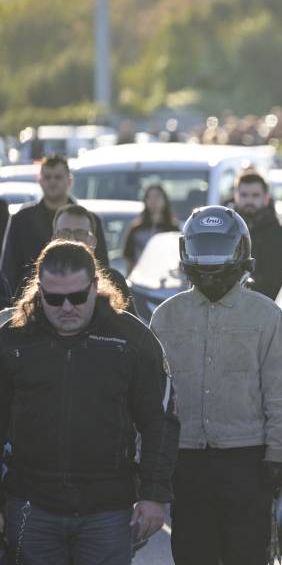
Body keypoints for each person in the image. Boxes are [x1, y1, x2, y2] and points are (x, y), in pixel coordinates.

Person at [0, 240, 179, 564]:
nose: (67, 307)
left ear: (95, 286)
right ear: (39, 291)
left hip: (107, 509)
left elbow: (160, 420)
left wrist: (154, 496)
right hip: (31, 504)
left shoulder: (131, 339)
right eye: (54, 298)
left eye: (77, 296)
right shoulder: (12, 340)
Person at [150, 205, 282, 565]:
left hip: (246, 460)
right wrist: (147, 461)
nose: (211, 260)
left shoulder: (266, 315)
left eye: (219, 245)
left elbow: (279, 392)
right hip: (186, 461)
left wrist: (279, 452)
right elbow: (153, 397)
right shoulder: (166, 316)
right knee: (191, 554)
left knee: (246, 555)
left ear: (240, 252)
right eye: (202, 245)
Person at [1, 155, 109, 295]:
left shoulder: (89, 220)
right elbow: (8, 269)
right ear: (40, 181)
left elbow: (103, 267)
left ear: (69, 181)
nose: (52, 182)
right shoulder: (21, 220)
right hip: (32, 301)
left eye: (58, 177)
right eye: (47, 177)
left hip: (83, 299)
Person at [234, 171, 282, 299]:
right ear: (236, 196)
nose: (249, 200)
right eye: (244, 195)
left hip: (275, 313)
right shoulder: (226, 235)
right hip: (231, 314)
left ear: (266, 198)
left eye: (255, 195)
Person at [54, 204, 134, 312]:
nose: (72, 239)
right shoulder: (38, 281)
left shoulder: (114, 281)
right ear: (53, 239)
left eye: (80, 234)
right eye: (64, 233)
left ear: (93, 242)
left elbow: (131, 326)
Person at [122, 184, 178, 271]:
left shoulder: (173, 230)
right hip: (141, 278)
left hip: (166, 278)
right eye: (150, 197)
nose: (153, 201)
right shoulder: (136, 230)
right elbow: (129, 258)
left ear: (165, 200)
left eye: (157, 197)